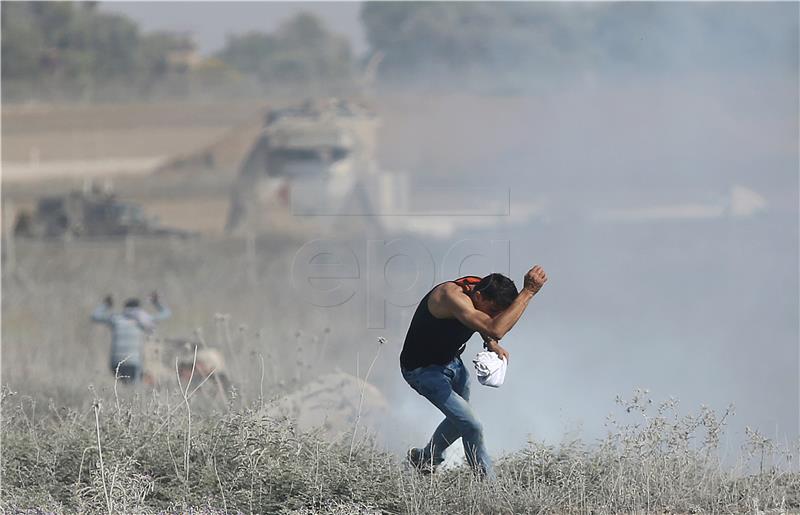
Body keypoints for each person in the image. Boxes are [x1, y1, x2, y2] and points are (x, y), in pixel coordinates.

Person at [400, 266, 548, 479]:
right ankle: (489, 489)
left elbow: (486, 324)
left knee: (459, 421)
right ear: (478, 296)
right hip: (423, 372)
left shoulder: (480, 290)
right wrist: (528, 293)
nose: (494, 316)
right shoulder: (452, 297)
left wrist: (490, 342)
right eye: (493, 311)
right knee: (471, 425)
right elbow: (494, 327)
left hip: (452, 364)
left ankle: (425, 459)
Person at [91, 291, 171, 383]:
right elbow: (166, 313)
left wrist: (105, 305)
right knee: (133, 390)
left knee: (122, 388)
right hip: (133, 362)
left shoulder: (116, 319)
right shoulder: (142, 320)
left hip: (115, 363)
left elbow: (95, 316)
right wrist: (156, 302)